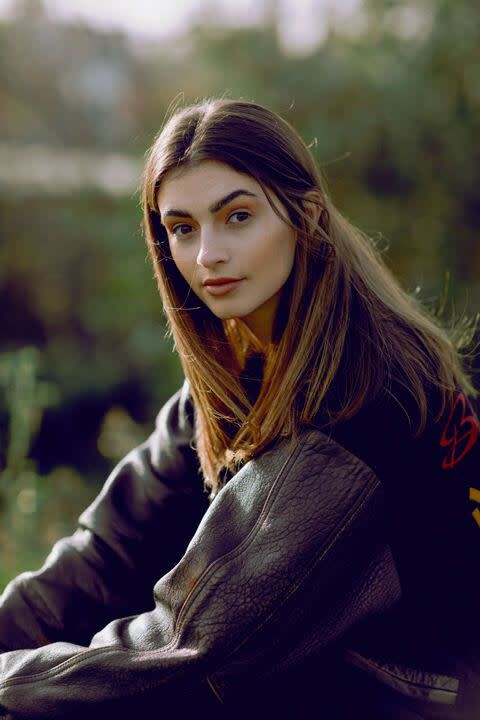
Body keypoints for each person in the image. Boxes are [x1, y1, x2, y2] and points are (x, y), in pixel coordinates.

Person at [0, 97, 479, 720]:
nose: (207, 256)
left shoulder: (364, 401)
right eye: (182, 228)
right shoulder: (247, 364)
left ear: (305, 215)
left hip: (412, 698)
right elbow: (105, 553)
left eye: (238, 217)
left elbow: (188, 652)